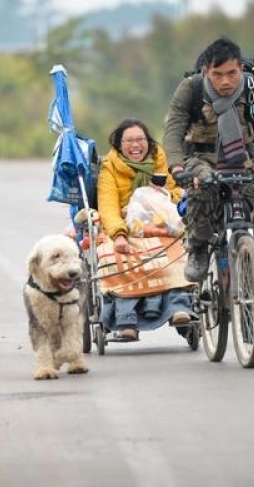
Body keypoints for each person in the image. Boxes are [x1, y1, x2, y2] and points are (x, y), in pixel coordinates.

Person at [162, 36, 254, 299]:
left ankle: (253, 307)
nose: (226, 81)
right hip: (200, 160)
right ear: (206, 71)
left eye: (232, 73)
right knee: (201, 187)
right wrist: (178, 168)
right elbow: (174, 128)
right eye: (218, 74)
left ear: (241, 69)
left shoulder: (252, 87)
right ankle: (199, 247)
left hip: (242, 162)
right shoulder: (190, 89)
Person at [96, 118, 196, 341]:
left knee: (176, 250)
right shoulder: (109, 168)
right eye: (129, 140)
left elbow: (177, 193)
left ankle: (177, 307)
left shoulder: (160, 159)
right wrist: (119, 235)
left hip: (159, 221)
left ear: (148, 142)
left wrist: (162, 194)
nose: (135, 145)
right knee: (116, 255)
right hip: (123, 226)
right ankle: (125, 316)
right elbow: (108, 206)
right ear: (119, 145)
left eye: (140, 139)